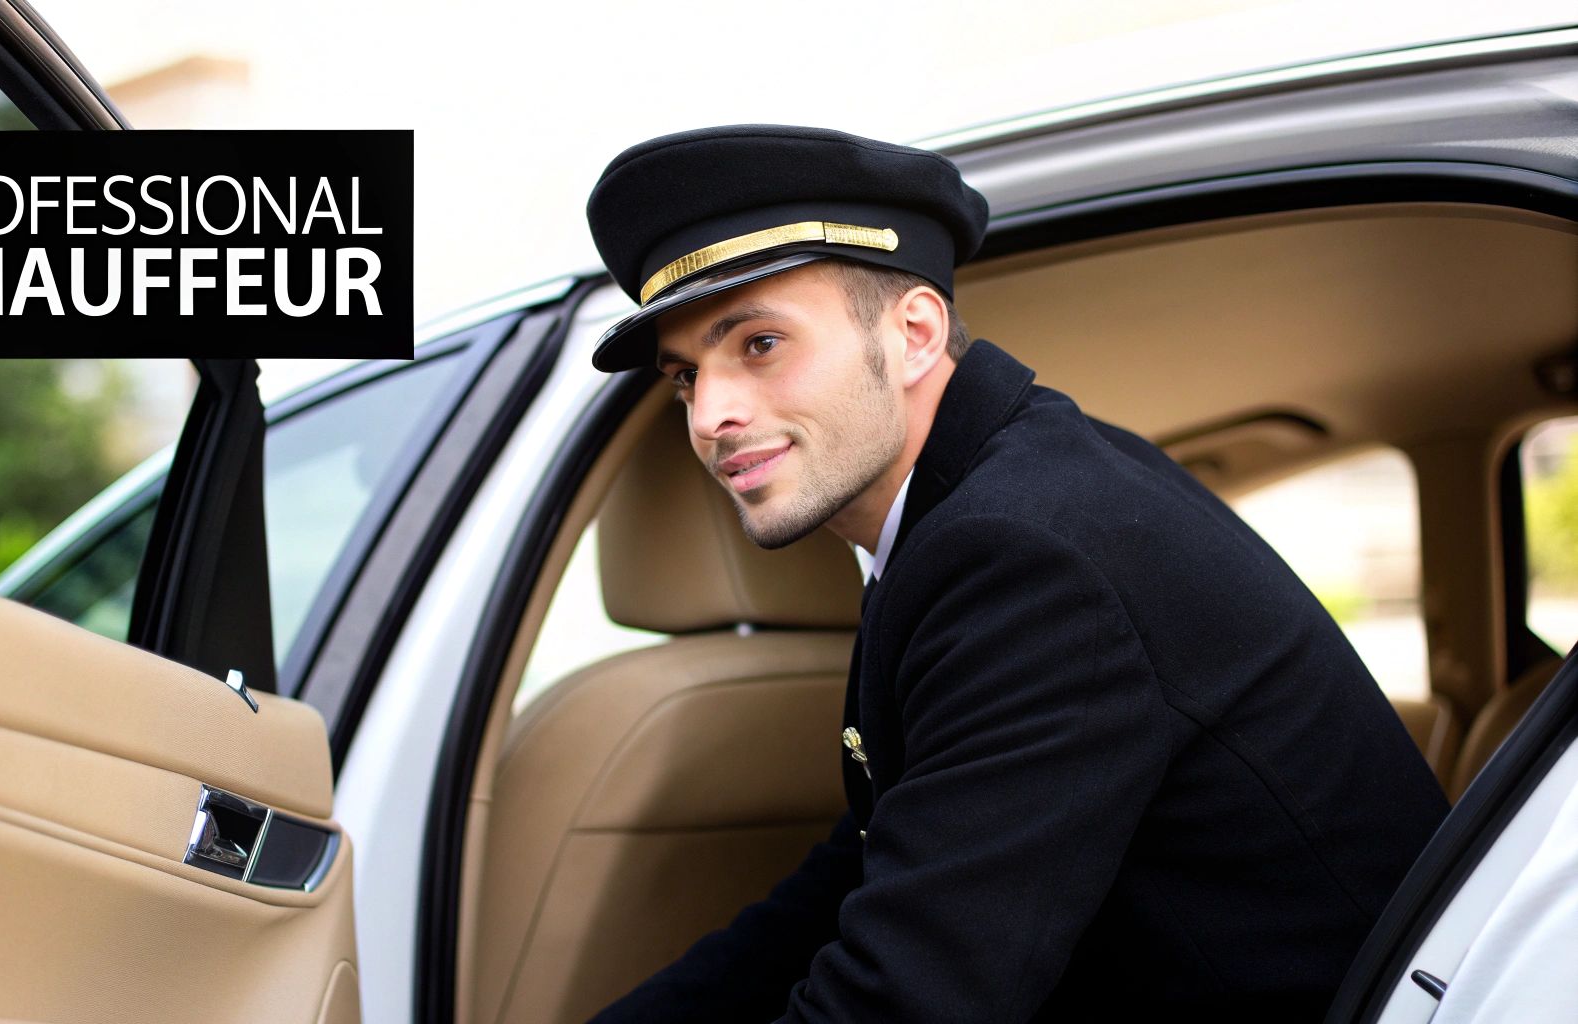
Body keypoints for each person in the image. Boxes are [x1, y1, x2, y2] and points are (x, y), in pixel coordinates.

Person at [578, 124, 1451, 1023]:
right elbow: (866, 867)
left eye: (759, 345)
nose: (711, 414)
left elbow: (907, 1004)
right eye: (686, 377)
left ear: (913, 333)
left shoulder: (1024, 552)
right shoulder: (974, 511)